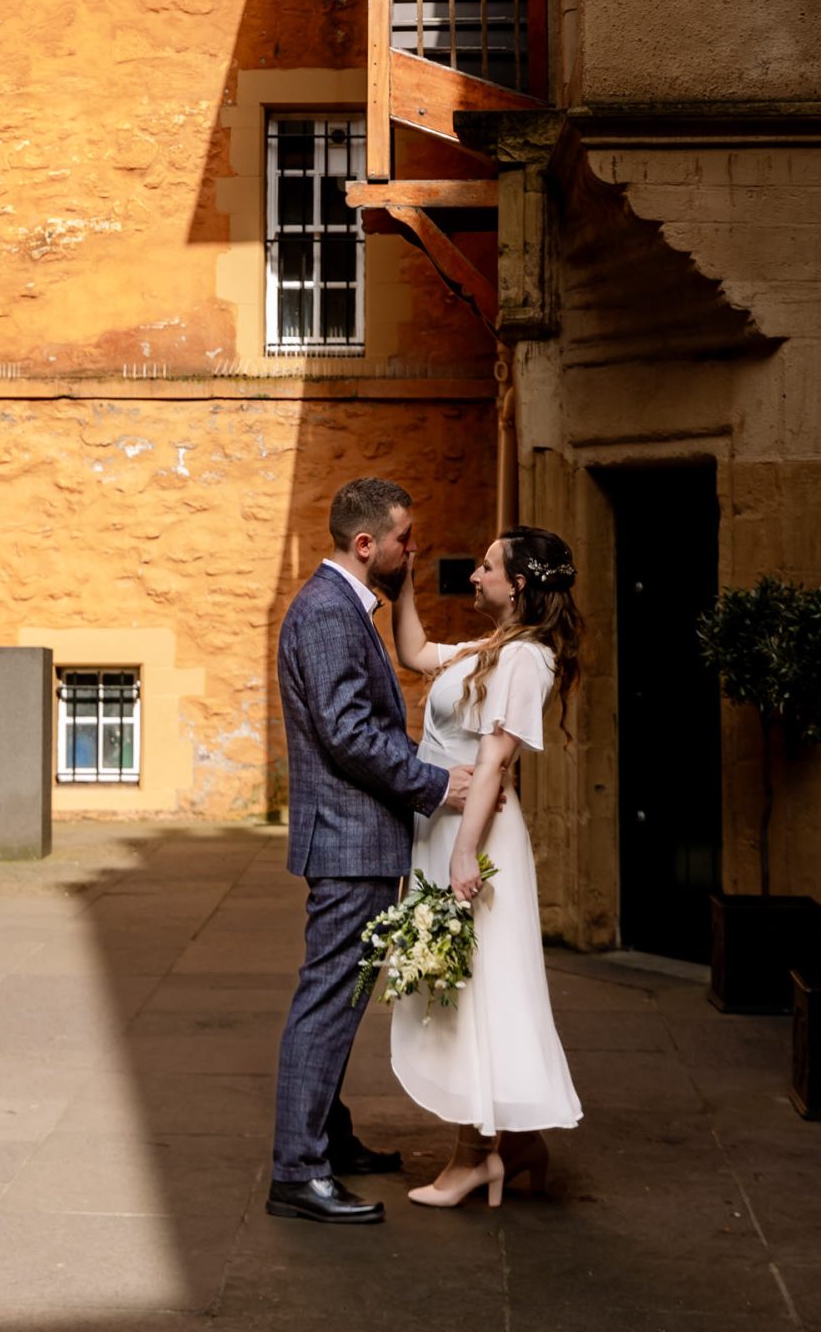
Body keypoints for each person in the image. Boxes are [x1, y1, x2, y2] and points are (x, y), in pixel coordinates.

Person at [267, 475, 474, 1226]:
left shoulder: (346, 607)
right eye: (403, 539)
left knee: (341, 997)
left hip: (355, 836)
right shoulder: (326, 612)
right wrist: (433, 785)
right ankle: (297, 1172)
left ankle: (327, 1134)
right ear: (366, 544)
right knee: (327, 1000)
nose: (411, 548)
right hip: (349, 839)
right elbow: (347, 734)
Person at [388, 524, 584, 1208]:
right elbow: (414, 652)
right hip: (442, 826)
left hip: (477, 837)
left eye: (488, 566)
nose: (474, 574)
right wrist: (401, 581)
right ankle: (517, 1143)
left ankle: (475, 1159)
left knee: (475, 989)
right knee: (457, 983)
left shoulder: (526, 660)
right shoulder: (490, 648)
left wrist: (464, 854)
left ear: (518, 583)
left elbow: (496, 760)